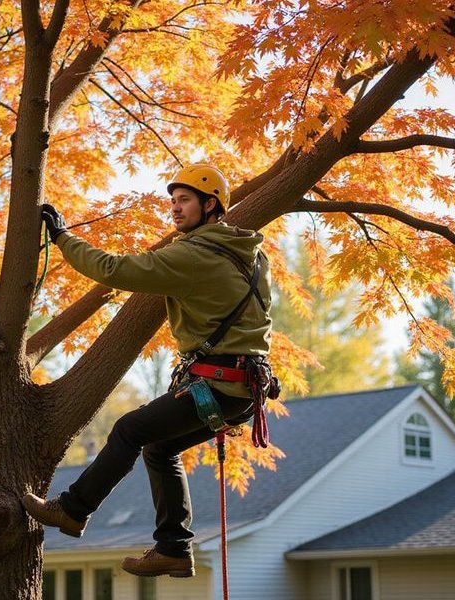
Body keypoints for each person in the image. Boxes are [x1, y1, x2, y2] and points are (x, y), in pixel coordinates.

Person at [22, 164, 277, 578]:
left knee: (129, 430)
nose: (175, 209)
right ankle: (174, 549)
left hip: (219, 384)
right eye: (173, 201)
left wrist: (62, 237)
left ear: (210, 205)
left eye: (186, 200)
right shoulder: (253, 257)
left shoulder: (194, 254)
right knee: (160, 448)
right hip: (244, 389)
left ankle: (72, 510)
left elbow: (114, 270)